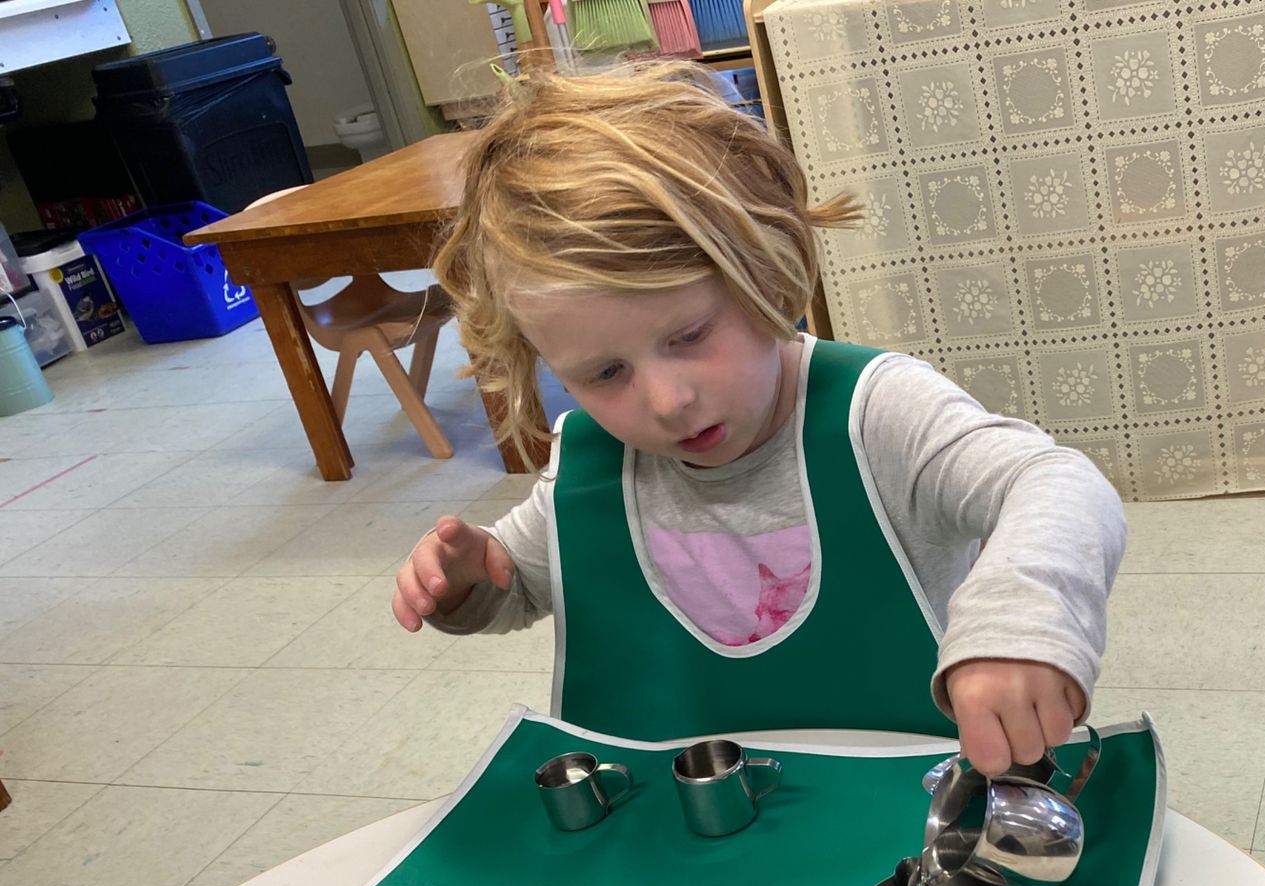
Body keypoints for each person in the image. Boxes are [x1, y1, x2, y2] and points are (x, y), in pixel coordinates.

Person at [391, 64, 1124, 775]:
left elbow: (1055, 481)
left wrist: (1017, 621)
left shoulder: (878, 414)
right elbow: (519, 584)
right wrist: (467, 583)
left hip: (907, 809)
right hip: (677, 831)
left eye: (689, 336)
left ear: (762, 270)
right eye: (604, 374)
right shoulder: (590, 467)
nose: (667, 401)